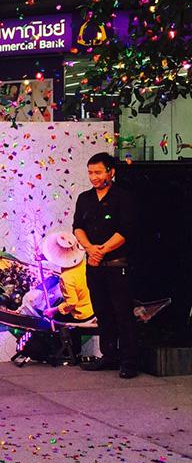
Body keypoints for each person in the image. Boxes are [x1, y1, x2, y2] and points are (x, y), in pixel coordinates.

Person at [72, 152, 139, 378]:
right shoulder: (84, 198)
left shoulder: (123, 197)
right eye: (90, 172)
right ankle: (109, 355)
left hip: (116, 265)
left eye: (98, 172)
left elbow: (125, 231)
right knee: (102, 311)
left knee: (122, 313)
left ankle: (129, 361)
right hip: (93, 264)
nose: (94, 177)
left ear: (111, 172)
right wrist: (90, 248)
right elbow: (77, 227)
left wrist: (101, 251)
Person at [40, 231, 95, 324]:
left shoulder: (66, 277)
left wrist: (52, 311)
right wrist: (44, 257)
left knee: (47, 319)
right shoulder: (83, 262)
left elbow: (71, 303)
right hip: (93, 305)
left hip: (82, 314)